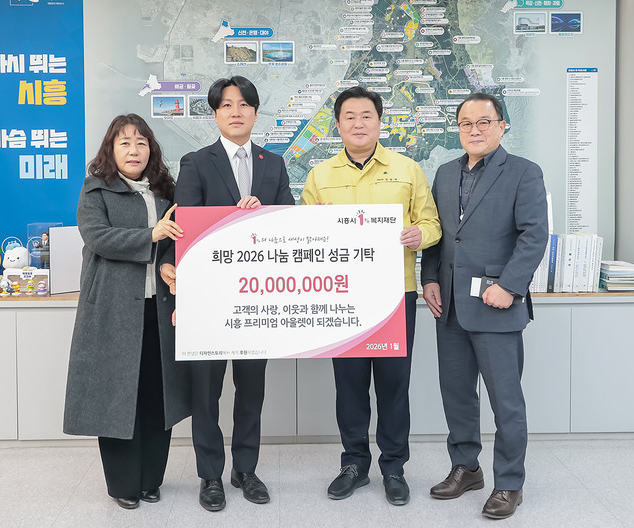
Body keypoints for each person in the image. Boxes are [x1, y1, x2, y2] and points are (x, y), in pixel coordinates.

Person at [300, 86, 441, 506]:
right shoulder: (320, 175)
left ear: (380, 122)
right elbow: (301, 232)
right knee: (349, 385)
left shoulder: (407, 169)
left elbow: (432, 224)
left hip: (395, 295)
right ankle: (355, 464)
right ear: (337, 125)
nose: (358, 123)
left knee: (394, 386)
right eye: (350, 116)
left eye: (366, 116)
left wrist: (419, 235)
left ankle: (394, 467)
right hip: (342, 296)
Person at [164, 75, 294, 512]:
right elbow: (185, 227)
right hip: (209, 297)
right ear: (215, 114)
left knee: (251, 390)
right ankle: (209, 476)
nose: (235, 112)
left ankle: (246, 470)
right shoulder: (196, 162)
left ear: (255, 113)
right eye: (226, 105)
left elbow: (289, 224)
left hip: (256, 298)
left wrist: (264, 213)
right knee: (206, 392)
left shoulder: (274, 164)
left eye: (243, 105)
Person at [421, 92, 548, 520]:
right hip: (451, 306)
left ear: (502, 125)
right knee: (457, 394)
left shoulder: (524, 172)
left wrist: (510, 286)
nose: (474, 130)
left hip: (497, 305)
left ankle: (509, 483)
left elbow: (534, 235)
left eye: (483, 122)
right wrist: (430, 278)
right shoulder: (444, 173)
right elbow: (439, 234)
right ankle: (466, 468)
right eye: (466, 123)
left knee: (505, 401)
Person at [63, 114, 191, 510]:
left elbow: (177, 242)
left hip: (160, 310)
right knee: (117, 398)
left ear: (151, 148)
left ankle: (151, 480)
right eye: (124, 143)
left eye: (141, 142)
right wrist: (151, 234)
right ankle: (122, 484)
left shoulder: (166, 191)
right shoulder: (96, 189)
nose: (134, 150)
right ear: (111, 149)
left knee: (157, 396)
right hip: (114, 311)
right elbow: (98, 237)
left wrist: (168, 260)